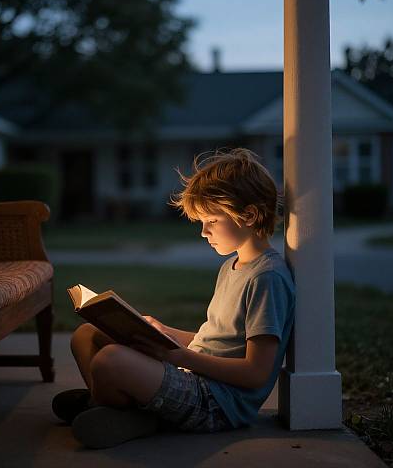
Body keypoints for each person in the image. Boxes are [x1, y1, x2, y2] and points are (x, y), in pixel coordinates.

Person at [52, 147, 295, 449]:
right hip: (193, 374)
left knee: (110, 361)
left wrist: (175, 356)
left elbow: (255, 372)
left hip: (217, 403)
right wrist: (165, 333)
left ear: (248, 215)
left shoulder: (267, 277)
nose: (204, 232)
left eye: (212, 221)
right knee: (87, 335)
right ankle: (120, 409)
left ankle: (130, 414)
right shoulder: (233, 266)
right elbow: (221, 341)